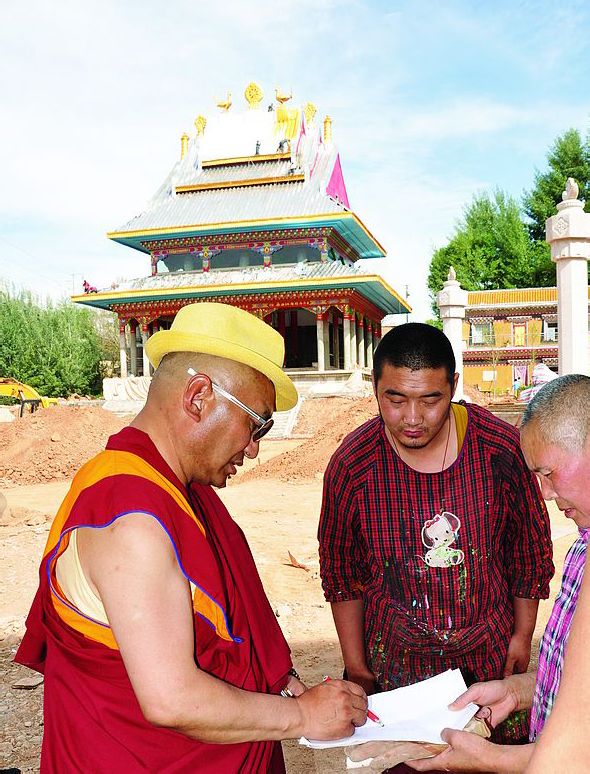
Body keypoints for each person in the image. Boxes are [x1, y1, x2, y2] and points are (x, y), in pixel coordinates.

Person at [15, 302, 368, 773]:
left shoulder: (176, 492)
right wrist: (302, 715)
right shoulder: (131, 516)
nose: (255, 447)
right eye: (257, 423)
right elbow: (172, 698)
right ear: (198, 396)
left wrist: (286, 686)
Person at [318, 323, 553, 756]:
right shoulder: (353, 465)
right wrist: (357, 665)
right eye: (396, 398)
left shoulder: (500, 450)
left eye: (430, 399)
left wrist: (521, 636)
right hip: (397, 662)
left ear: (453, 387)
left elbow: (528, 553)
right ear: (375, 388)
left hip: (489, 654)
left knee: (493, 760)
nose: (412, 417)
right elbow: (341, 574)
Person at [402, 373, 590, 772]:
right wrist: (521, 691)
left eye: (548, 472)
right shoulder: (583, 544)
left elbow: (576, 755)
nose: (543, 492)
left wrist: (489, 759)